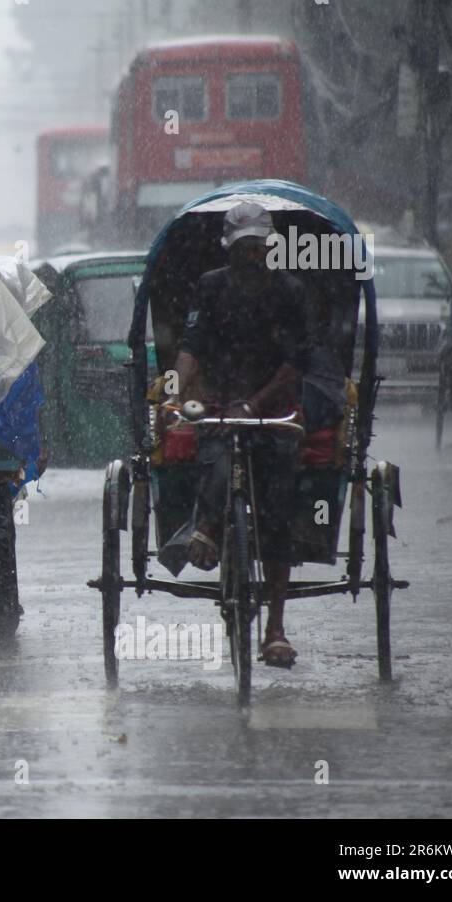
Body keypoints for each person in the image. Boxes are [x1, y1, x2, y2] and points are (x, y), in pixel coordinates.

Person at [165, 201, 311, 668]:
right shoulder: (211, 288)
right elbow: (192, 347)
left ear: (270, 247)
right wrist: (175, 394)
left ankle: (275, 628)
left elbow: (295, 364)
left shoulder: (290, 292)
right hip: (221, 405)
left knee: (279, 513)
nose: (252, 256)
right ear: (231, 249)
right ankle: (207, 526)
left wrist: (258, 402)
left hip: (275, 408)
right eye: (243, 248)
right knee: (215, 457)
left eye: (259, 247)